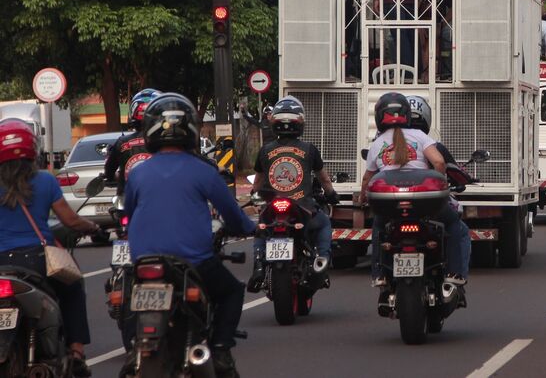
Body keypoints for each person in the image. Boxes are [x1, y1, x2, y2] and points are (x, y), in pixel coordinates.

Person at [122, 93, 255, 378]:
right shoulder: (203, 171)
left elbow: (129, 214)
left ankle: (134, 350)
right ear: (191, 131)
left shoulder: (138, 174)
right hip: (193, 261)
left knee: (125, 297)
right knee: (231, 292)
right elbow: (231, 214)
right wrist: (247, 227)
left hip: (144, 261)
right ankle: (219, 349)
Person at [0, 118, 99, 376]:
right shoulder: (45, 181)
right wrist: (91, 227)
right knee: (73, 286)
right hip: (38, 261)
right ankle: (76, 353)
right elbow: (70, 220)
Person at [357, 93, 470, 286]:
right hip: (424, 203)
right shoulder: (420, 136)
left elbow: (368, 177)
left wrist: (362, 197)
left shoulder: (377, 143)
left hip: (390, 204)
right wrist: (440, 181)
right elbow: (439, 161)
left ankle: (379, 274)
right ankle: (455, 273)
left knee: (378, 227)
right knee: (455, 227)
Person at [246, 96, 338, 293]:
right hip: (302, 207)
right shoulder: (309, 150)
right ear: (300, 123)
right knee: (324, 224)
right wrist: (331, 195)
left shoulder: (265, 151)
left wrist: (253, 194)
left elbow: (258, 182)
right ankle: (321, 261)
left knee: (262, 228)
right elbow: (324, 180)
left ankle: (259, 265)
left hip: (274, 207)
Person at [104, 88, 160, 194]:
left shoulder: (122, 142)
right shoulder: (165, 143)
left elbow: (109, 170)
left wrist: (112, 176)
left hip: (128, 200)